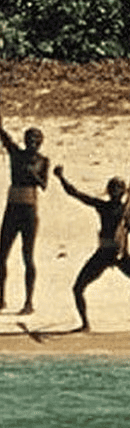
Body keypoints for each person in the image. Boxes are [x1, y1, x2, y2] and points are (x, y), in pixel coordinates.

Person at [53, 165, 130, 332]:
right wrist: (61, 178)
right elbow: (76, 194)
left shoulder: (129, 211)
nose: (115, 192)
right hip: (103, 254)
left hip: (121, 255)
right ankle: (85, 324)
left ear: (123, 192)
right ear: (108, 191)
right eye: (112, 188)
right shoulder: (103, 206)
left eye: (118, 189)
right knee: (78, 288)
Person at [0, 117, 49, 315]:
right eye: (29, 139)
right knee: (1, 254)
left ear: (40, 143)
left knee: (27, 256)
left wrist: (32, 174)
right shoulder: (16, 154)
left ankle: (29, 302)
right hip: (13, 208)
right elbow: (4, 137)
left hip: (29, 210)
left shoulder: (43, 161)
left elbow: (44, 185)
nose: (32, 143)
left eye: (35, 140)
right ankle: (1, 299)